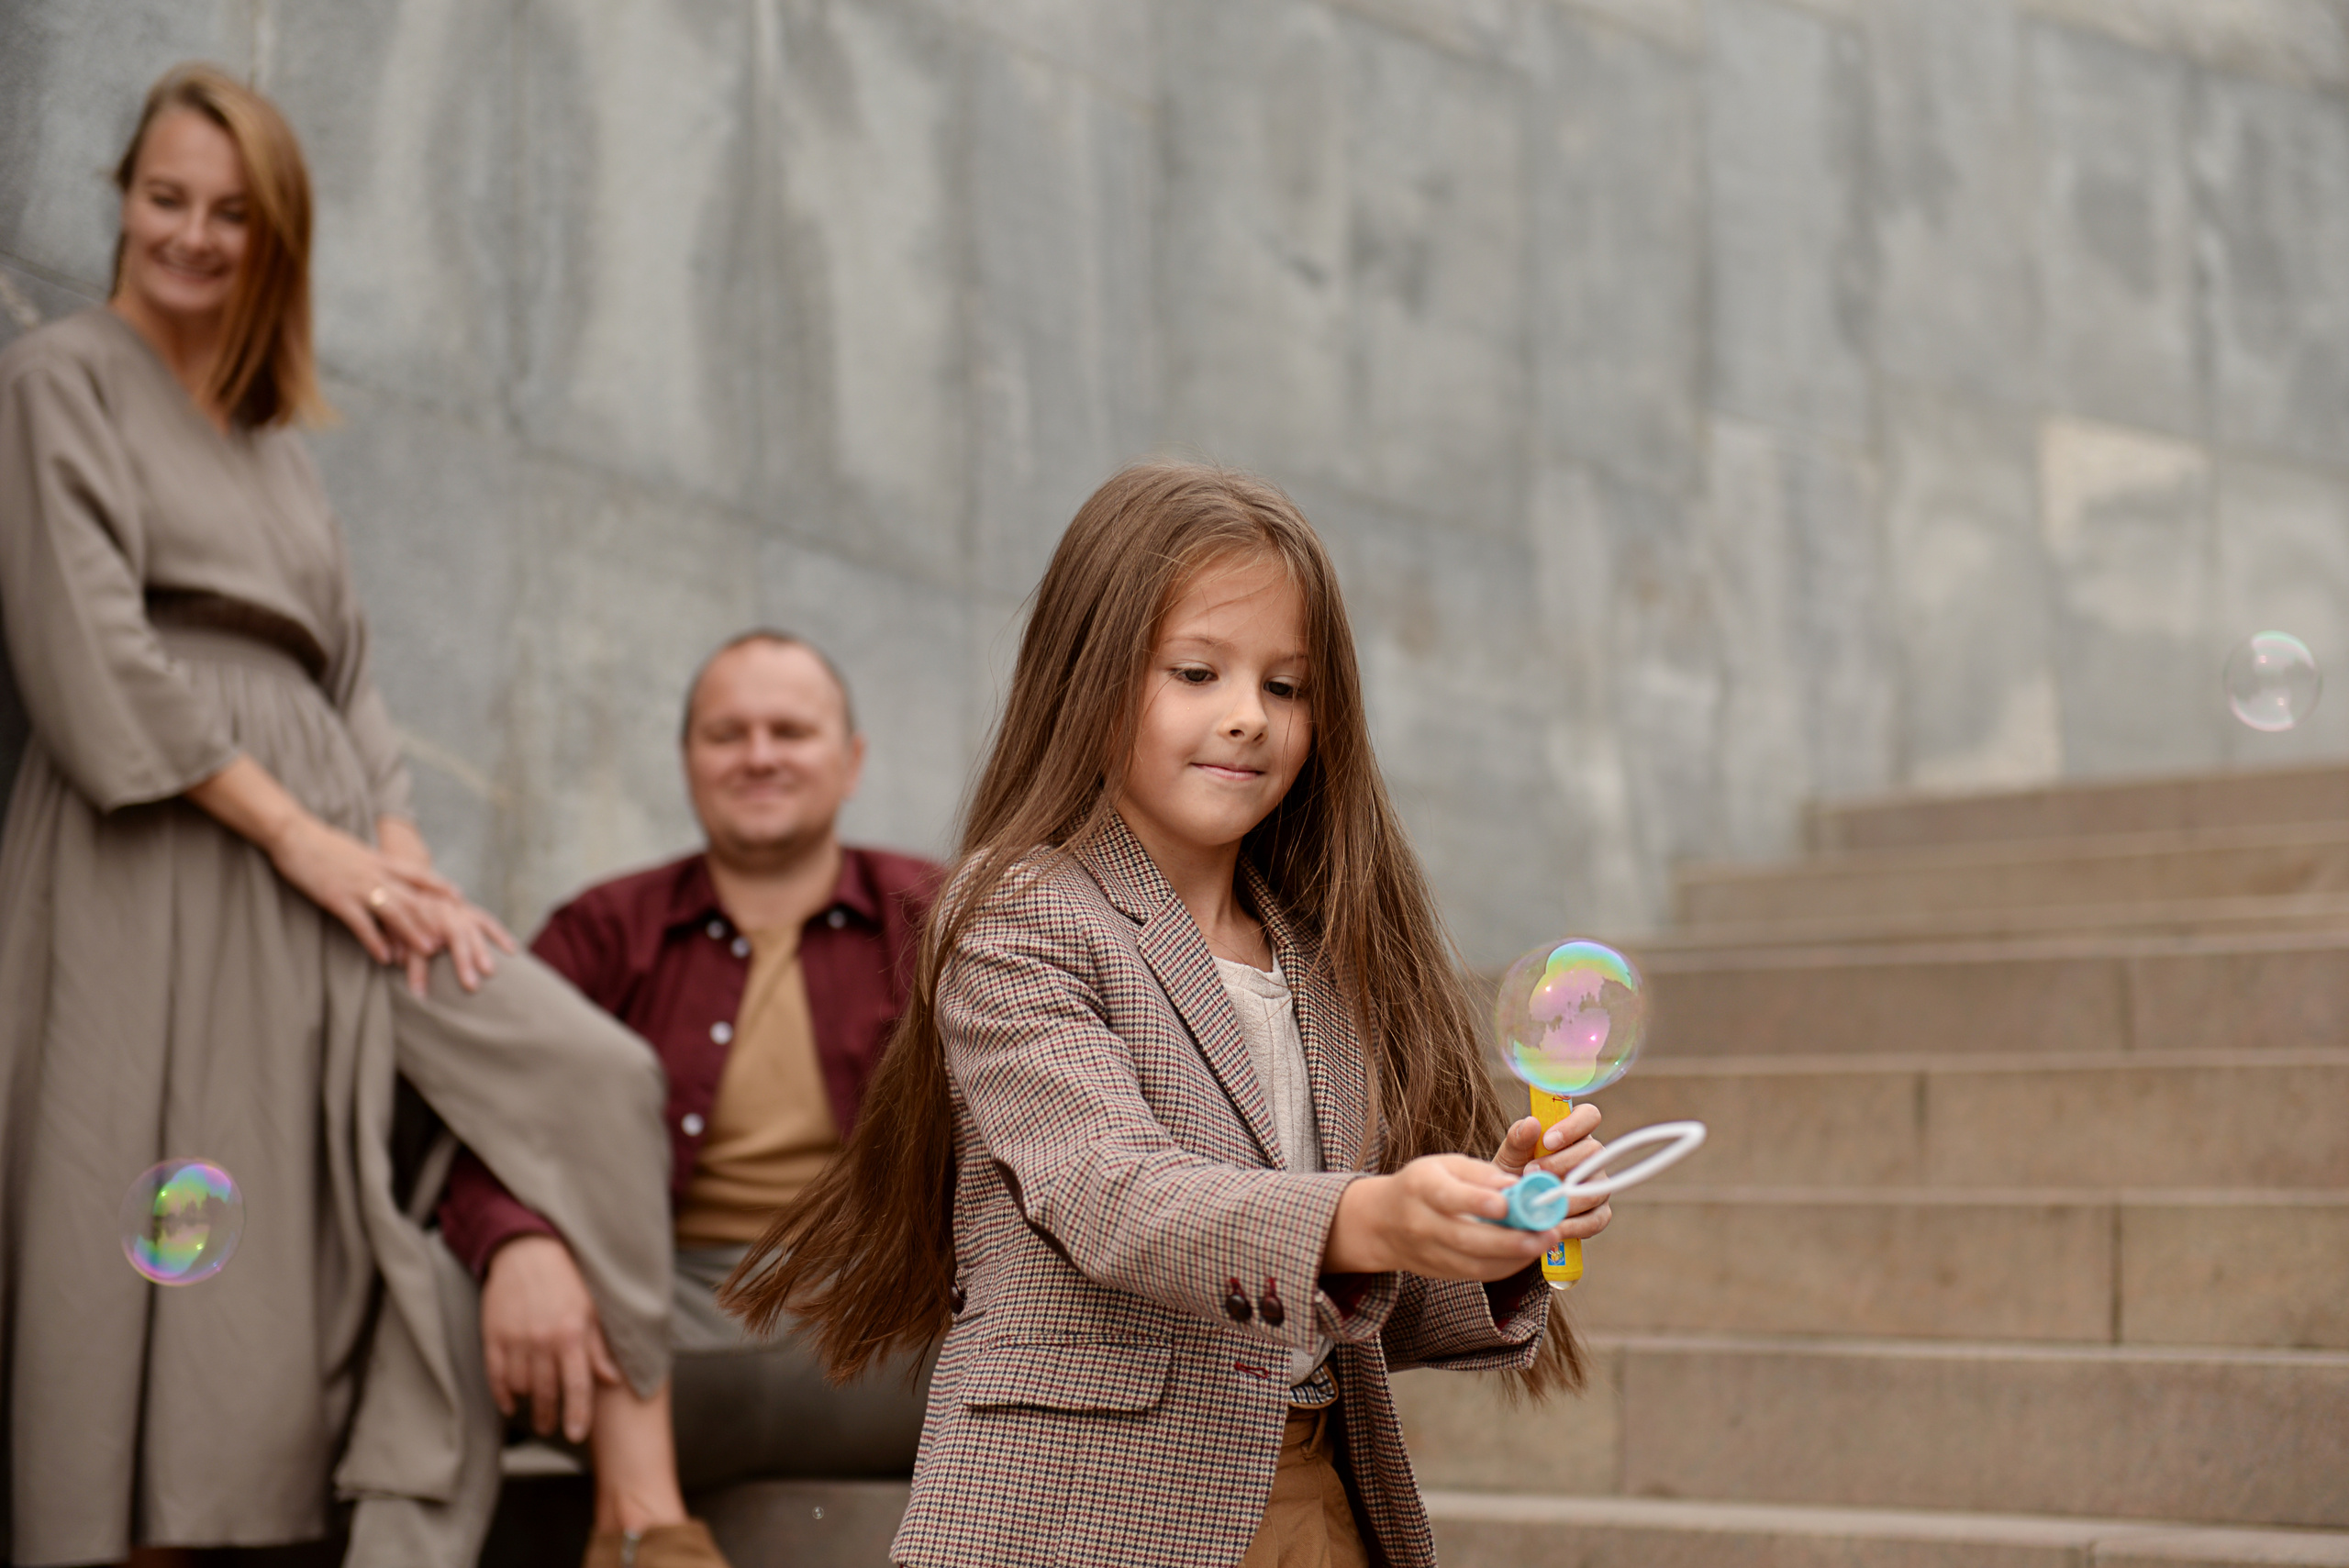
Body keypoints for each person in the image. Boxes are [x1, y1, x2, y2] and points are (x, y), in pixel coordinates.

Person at [0, 64, 722, 1568]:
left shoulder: (276, 448)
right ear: (121, 197)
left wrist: (391, 841)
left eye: (231, 212)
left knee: (583, 1066)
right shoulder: (57, 379)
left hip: (334, 853)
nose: (191, 235)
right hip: (163, 850)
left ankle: (638, 1510)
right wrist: (303, 837)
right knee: (169, 1271)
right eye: (164, 197)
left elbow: (354, 675)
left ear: (278, 238)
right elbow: (90, 647)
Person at [727, 462, 1616, 1568]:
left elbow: (1351, 1304)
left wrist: (1485, 1239)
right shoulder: (1018, 913)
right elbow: (1114, 1192)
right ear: (1086, 678)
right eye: (1196, 670)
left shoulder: (1327, 956)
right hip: (1071, 1520)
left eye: (1286, 687)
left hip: (1317, 1501)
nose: (1247, 716)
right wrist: (1373, 1212)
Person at [435, 631, 939, 1494]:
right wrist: (519, 1243)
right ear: (687, 761)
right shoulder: (602, 931)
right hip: (649, 1318)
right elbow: (478, 1121)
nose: (758, 756)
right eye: (726, 734)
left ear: (851, 761)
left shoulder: (940, 918)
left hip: (885, 1327)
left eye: (790, 731)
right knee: (436, 1290)